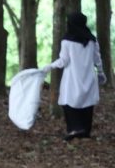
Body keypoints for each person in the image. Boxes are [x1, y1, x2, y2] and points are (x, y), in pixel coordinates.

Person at [44, 12, 105, 140]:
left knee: (69, 102)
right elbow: (97, 59)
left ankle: (74, 130)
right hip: (89, 78)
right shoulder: (92, 40)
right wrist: (100, 72)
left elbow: (64, 61)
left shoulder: (67, 40)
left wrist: (50, 66)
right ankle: (85, 131)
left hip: (72, 78)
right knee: (87, 104)